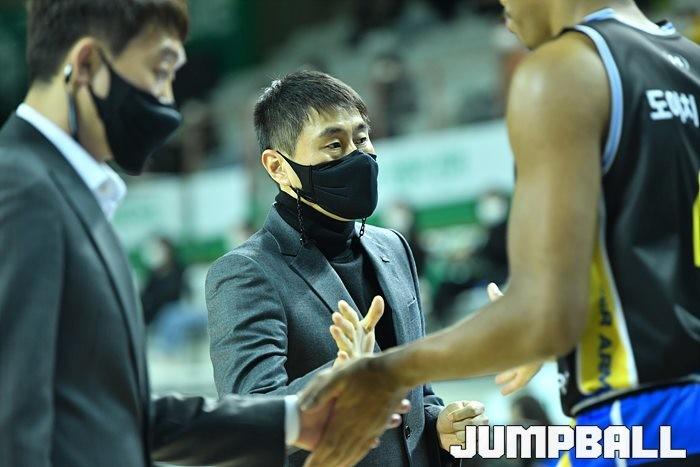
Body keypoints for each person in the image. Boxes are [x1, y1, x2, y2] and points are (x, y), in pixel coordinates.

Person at [299, 1, 700, 466]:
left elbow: (541, 320)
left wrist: (385, 372)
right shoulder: (690, 63)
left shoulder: (563, 70)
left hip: (640, 424)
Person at [0, 2, 342, 465]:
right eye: (160, 72)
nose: (167, 99)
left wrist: (298, 419)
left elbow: (118, 415)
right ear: (87, 64)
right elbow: (11, 423)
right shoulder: (21, 190)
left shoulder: (68, 195)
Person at [206, 70, 487, 466]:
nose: (357, 156)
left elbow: (415, 394)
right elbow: (250, 425)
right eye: (334, 145)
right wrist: (337, 379)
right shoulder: (246, 273)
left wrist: (439, 423)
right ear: (278, 167)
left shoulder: (393, 248)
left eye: (361, 138)